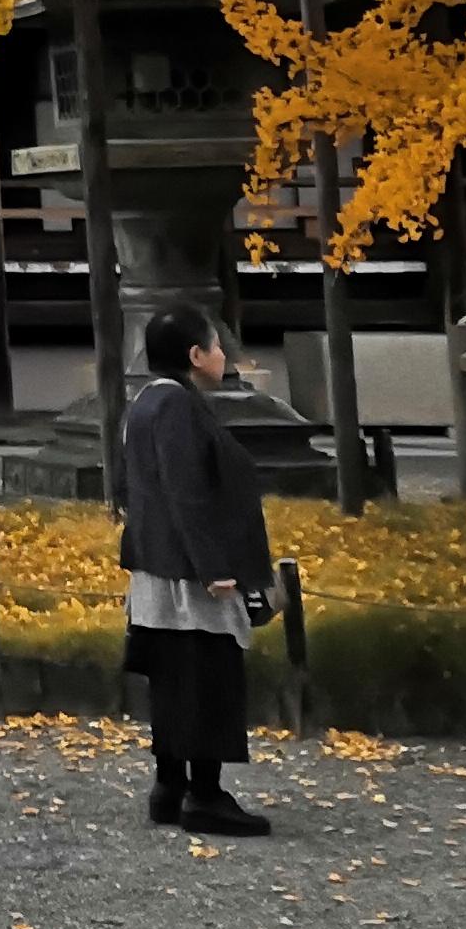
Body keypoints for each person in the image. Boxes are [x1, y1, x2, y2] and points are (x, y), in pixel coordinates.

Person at [120, 305, 278, 836]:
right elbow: (187, 491)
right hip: (188, 573)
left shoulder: (146, 402)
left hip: (158, 565)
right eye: (216, 346)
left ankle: (170, 786)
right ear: (194, 355)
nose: (222, 356)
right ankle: (205, 795)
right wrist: (214, 566)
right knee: (208, 676)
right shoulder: (177, 406)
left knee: (172, 679)